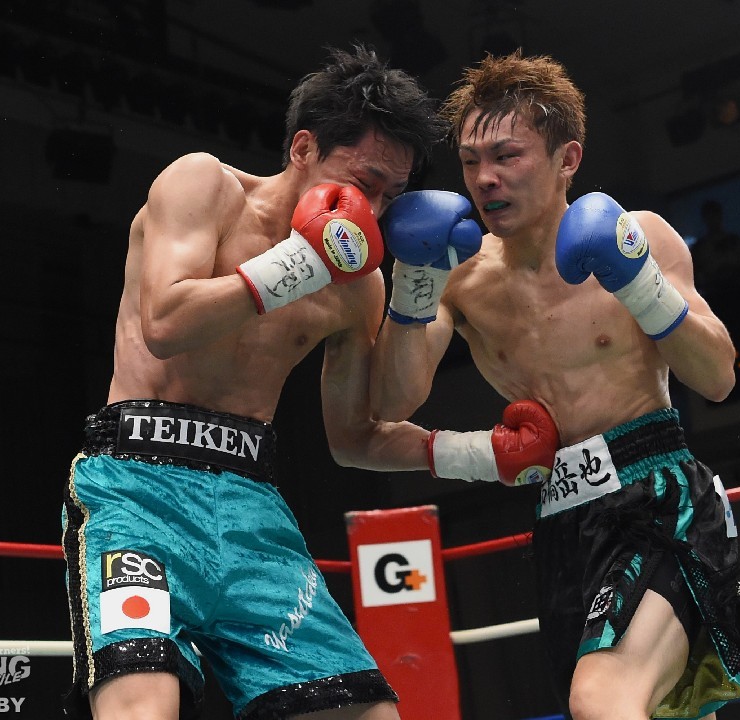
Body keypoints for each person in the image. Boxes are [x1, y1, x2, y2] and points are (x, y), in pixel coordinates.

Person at [61, 45, 559, 720]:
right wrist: (299, 263)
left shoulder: (357, 283)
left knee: (370, 715)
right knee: (141, 708)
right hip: (139, 493)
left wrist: (419, 292)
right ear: (303, 147)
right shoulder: (202, 185)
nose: (373, 208)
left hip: (252, 510)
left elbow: (366, 427)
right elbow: (165, 321)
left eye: (390, 196)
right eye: (365, 181)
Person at [370, 51, 740, 720]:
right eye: (470, 162)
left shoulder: (639, 236)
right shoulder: (460, 276)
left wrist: (639, 283)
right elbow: (393, 402)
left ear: (567, 158)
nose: (485, 179)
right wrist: (412, 285)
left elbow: (717, 377)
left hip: (657, 497)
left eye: (507, 156)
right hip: (560, 518)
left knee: (603, 699)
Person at [689, 199, 740, 292]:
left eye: (715, 215)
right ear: (705, 219)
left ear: (720, 216)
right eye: (709, 217)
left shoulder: (734, 240)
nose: (713, 220)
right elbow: (697, 273)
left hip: (737, 287)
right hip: (713, 291)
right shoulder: (700, 247)